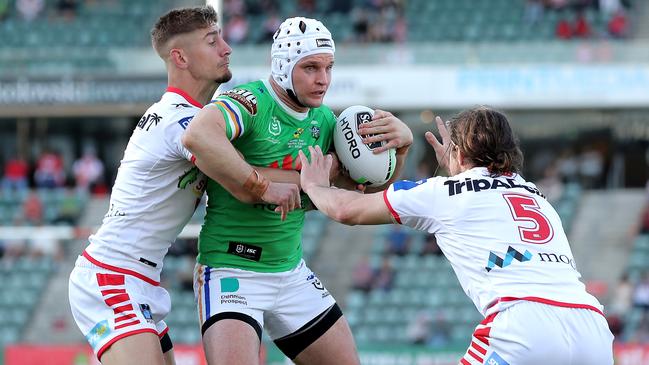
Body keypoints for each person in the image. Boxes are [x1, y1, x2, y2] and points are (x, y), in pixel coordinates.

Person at [68, 6, 301, 365]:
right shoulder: (180, 122)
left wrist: (325, 175)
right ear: (180, 57)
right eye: (213, 41)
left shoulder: (193, 120)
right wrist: (270, 186)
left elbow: (245, 168)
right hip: (112, 275)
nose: (227, 48)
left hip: (141, 278)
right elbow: (245, 180)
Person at [299, 106, 614, 365]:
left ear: (461, 154)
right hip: (592, 328)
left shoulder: (444, 191)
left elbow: (347, 210)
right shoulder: (538, 197)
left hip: (525, 325)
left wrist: (314, 186)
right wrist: (459, 165)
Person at [182, 16, 413, 365]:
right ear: (282, 66)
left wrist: (402, 149)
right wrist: (260, 186)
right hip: (232, 270)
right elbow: (197, 135)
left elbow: (363, 193)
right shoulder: (250, 102)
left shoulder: (327, 123)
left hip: (291, 274)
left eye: (329, 67)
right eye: (310, 68)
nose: (323, 79)